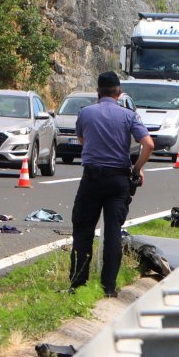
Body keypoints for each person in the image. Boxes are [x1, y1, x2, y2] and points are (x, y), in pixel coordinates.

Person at [69, 71, 154, 297]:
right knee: (113, 231)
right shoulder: (129, 115)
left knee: (83, 230)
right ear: (119, 93)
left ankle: (77, 283)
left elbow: (82, 140)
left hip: (92, 178)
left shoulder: (85, 113)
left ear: (98, 92)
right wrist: (136, 169)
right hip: (118, 179)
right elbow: (148, 144)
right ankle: (109, 287)